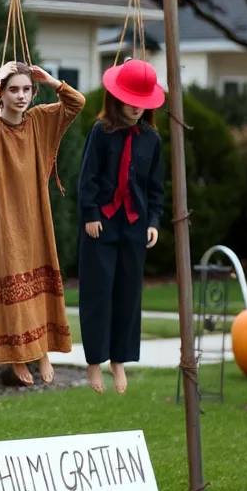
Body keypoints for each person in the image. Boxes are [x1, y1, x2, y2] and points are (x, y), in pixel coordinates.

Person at [0, 62, 84, 385]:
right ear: (3, 94)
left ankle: (42, 352)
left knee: (40, 278)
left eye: (26, 90)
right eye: (14, 90)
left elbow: (76, 103)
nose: (21, 96)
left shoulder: (39, 119)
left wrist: (50, 81)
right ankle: (18, 357)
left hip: (36, 212)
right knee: (12, 280)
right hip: (6, 217)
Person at [77, 59, 166, 393]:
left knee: (128, 295)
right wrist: (90, 215)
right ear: (116, 99)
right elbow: (88, 178)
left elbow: (155, 187)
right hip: (101, 224)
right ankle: (94, 362)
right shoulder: (101, 133)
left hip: (134, 226)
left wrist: (153, 221)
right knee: (98, 294)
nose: (136, 109)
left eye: (142, 104)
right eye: (131, 101)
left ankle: (119, 360)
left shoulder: (151, 139)